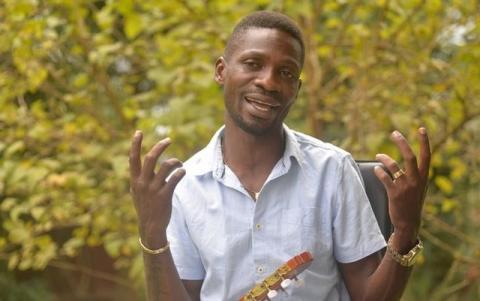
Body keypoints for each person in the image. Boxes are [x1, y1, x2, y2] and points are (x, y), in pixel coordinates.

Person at [129, 11, 430, 301]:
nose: (269, 82)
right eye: (252, 63)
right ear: (221, 71)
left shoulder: (332, 170)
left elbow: (368, 296)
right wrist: (152, 233)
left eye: (285, 72)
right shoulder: (184, 186)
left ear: (296, 89)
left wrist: (405, 229)